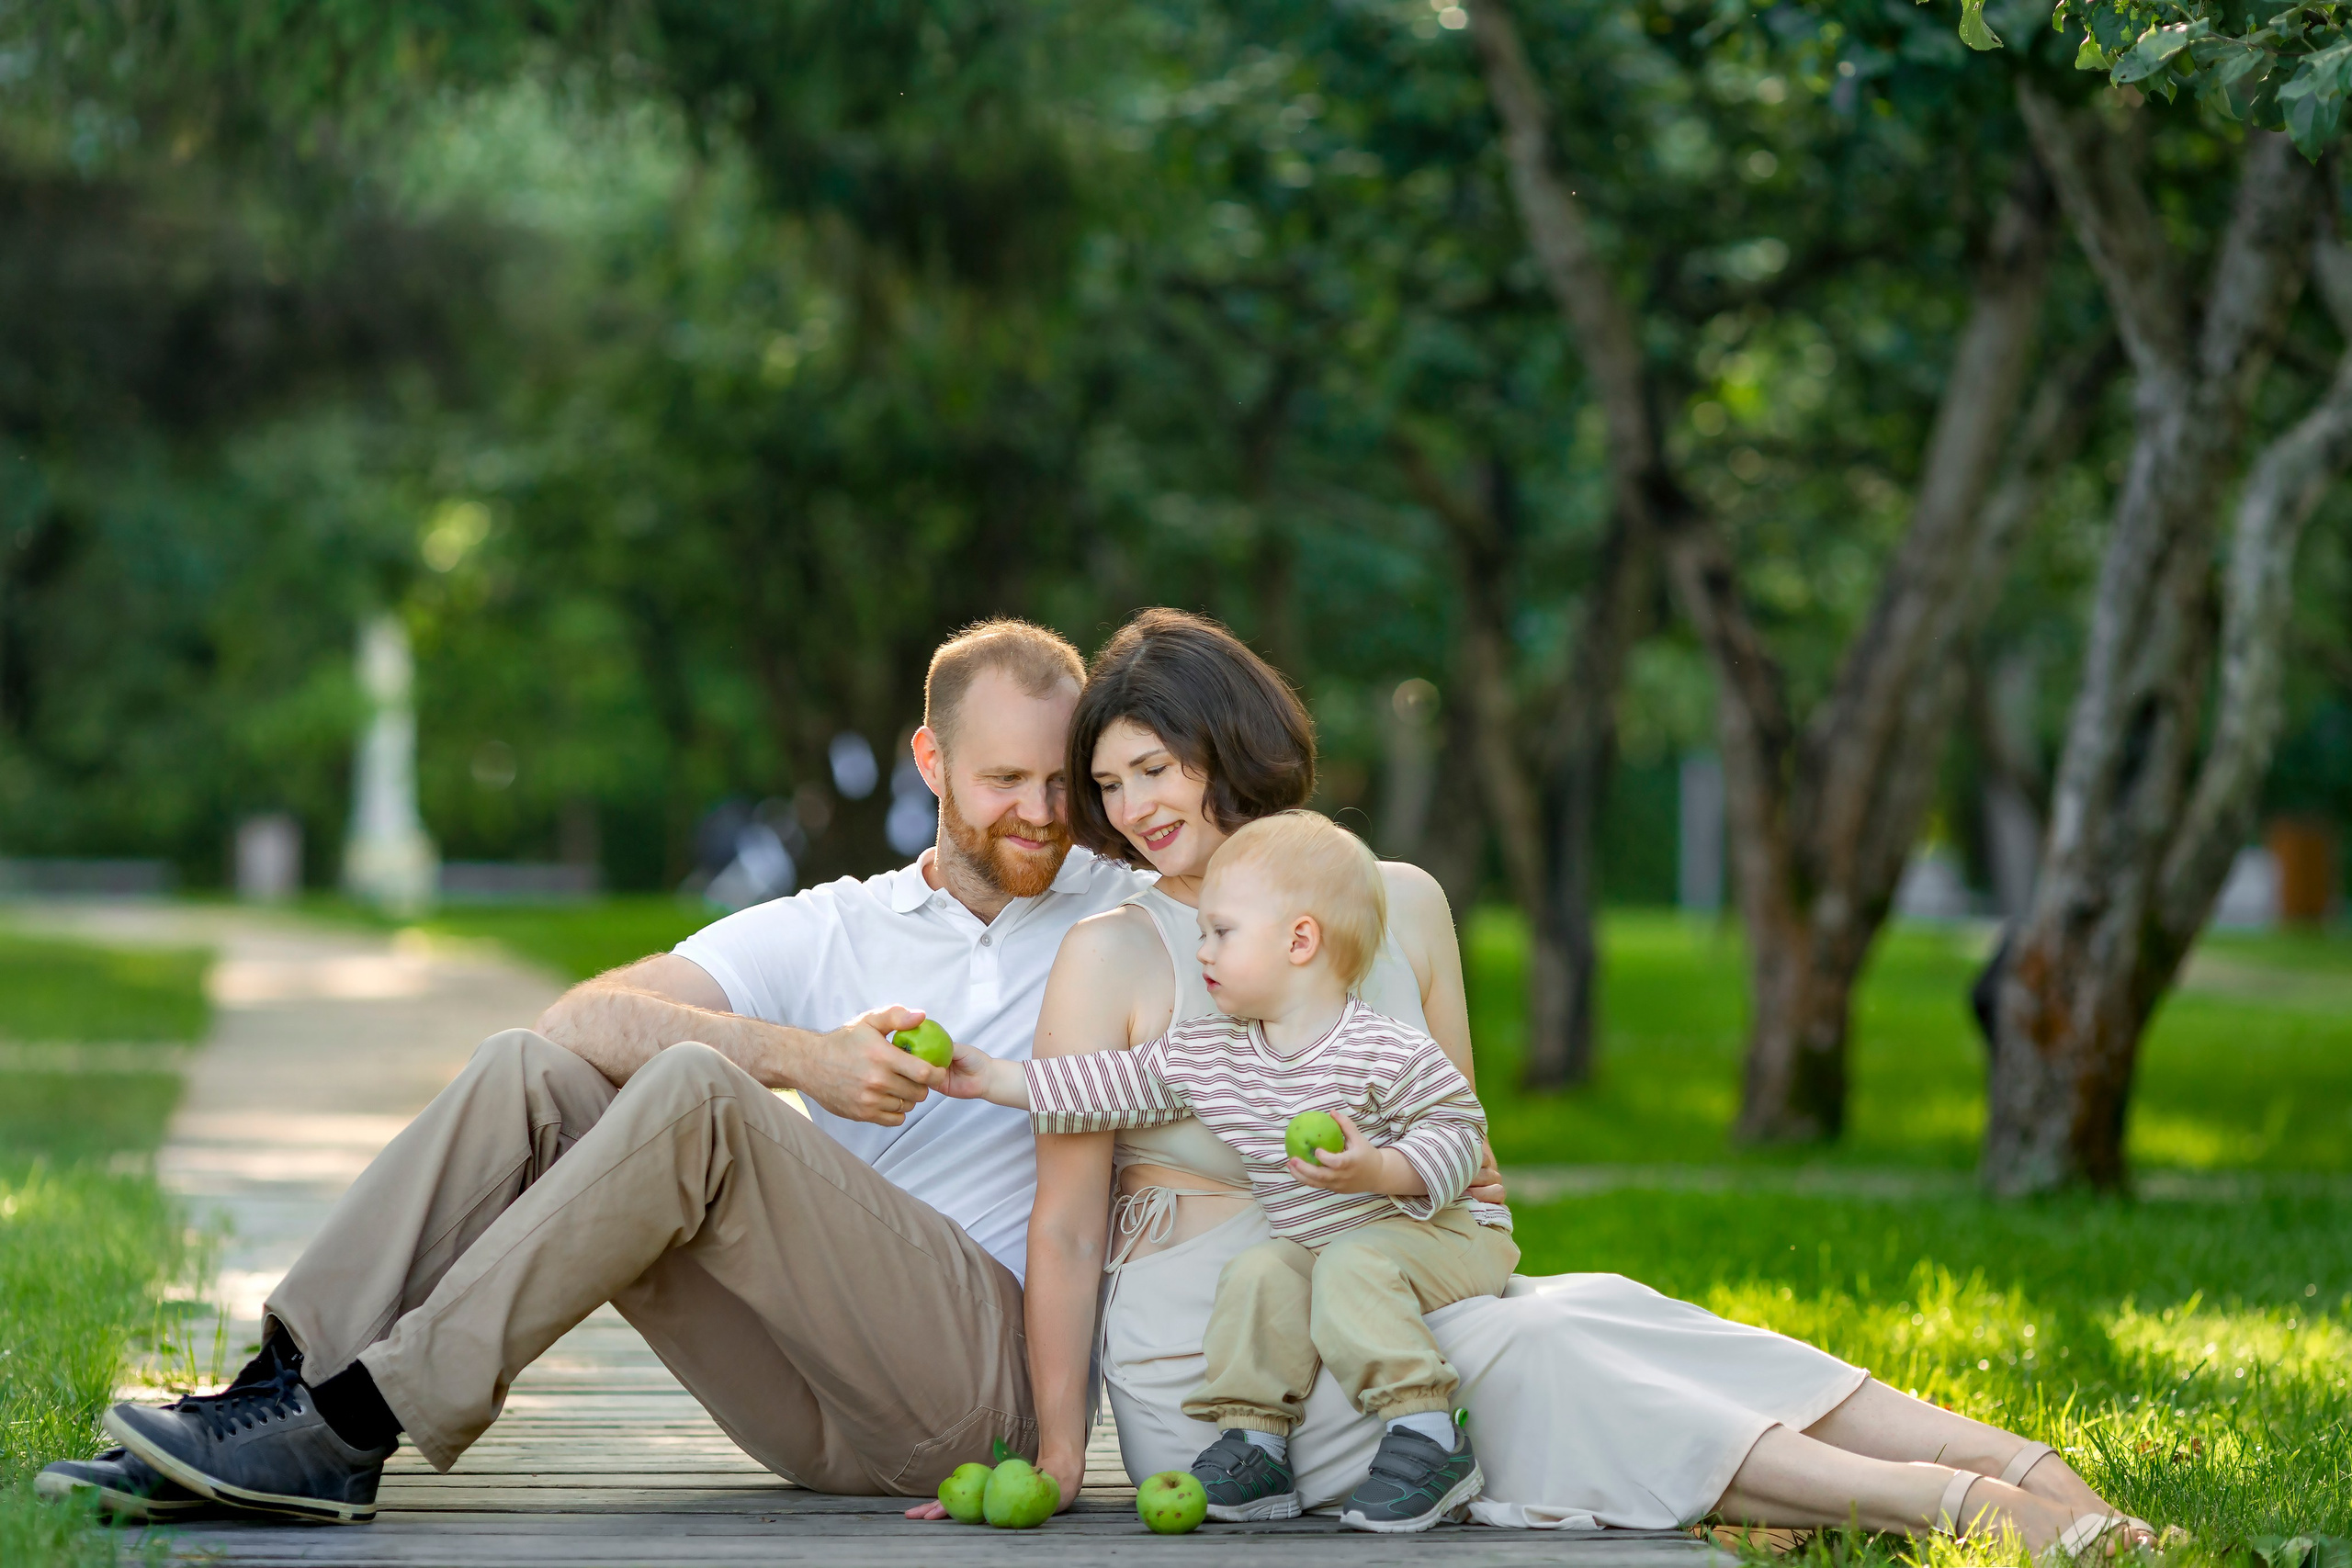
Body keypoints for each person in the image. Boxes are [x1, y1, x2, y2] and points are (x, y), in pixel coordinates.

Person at [950, 605, 2156, 1558]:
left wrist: (1463, 1262)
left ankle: (2043, 1475)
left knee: (1605, 1309)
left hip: (1389, 1284)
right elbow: (1065, 1223)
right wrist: (1064, 1449)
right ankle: (1954, 1509)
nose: (1137, 806)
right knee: (1532, 1361)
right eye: (1111, 785)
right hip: (1227, 1363)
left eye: (1156, 765)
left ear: (1229, 737)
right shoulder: (1113, 951)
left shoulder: (1403, 901)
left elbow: (1462, 1160)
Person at [59, 618, 1153, 1524]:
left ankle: (357, 1421)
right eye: (1005, 779)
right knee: (532, 1071)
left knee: (695, 1095)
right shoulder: (839, 924)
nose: (1043, 815)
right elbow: (584, 1015)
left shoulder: (1123, 913)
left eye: (1060, 782)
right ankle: (281, 1394)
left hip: (982, 1397)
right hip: (812, 1399)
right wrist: (804, 1058)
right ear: (931, 764)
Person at [942, 810, 1519, 1531]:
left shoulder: (1383, 1047)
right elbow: (1101, 1085)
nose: (1202, 950)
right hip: (1331, 1247)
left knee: (1352, 1266)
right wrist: (991, 1077)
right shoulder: (1212, 1053)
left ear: (1300, 940)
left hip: (1439, 1233)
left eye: (1221, 932)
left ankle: (1430, 1437)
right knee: (1259, 1271)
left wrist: (1379, 1166)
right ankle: (1256, 1443)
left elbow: (1461, 1129)